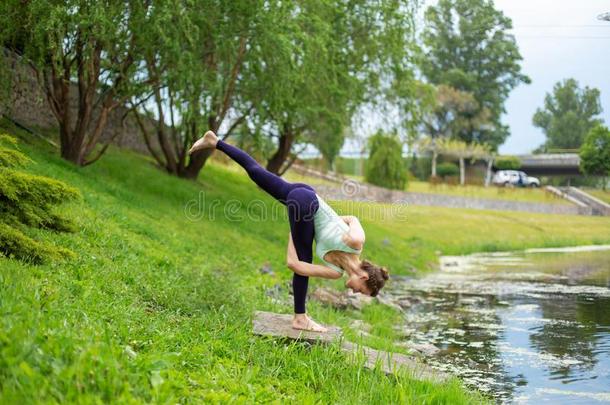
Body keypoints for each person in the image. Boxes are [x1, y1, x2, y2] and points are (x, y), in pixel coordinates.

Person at [189, 131, 389, 332]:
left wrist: (296, 230)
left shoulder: (335, 272)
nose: (355, 292)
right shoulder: (356, 242)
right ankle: (300, 319)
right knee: (305, 255)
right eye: (362, 291)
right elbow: (353, 218)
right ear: (364, 278)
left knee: (257, 173)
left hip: (302, 200)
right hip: (308, 202)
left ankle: (215, 141)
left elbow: (296, 266)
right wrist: (327, 222)